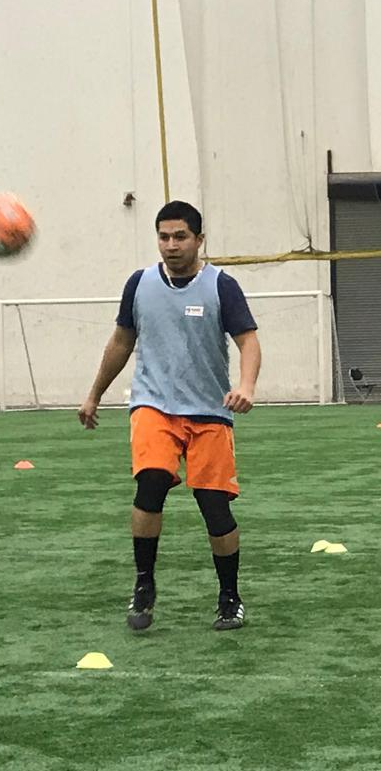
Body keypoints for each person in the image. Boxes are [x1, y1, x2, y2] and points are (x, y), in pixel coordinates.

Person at [79, 200, 261, 632]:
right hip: (153, 405)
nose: (171, 245)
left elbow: (248, 341)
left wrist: (246, 387)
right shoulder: (140, 284)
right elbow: (121, 342)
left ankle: (229, 596)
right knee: (152, 481)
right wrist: (94, 395)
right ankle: (144, 584)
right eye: (164, 237)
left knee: (214, 507)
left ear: (199, 240)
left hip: (209, 412)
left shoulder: (222, 286)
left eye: (180, 236)